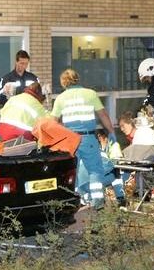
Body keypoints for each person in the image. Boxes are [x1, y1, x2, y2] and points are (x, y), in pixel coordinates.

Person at [51, 69, 116, 209]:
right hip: (88, 139)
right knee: (95, 171)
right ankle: (98, 203)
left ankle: (74, 202)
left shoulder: (60, 98)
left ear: (63, 83)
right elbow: (103, 114)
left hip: (70, 141)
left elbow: (53, 122)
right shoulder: (90, 94)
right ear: (77, 79)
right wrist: (111, 132)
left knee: (72, 171)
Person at [96, 129, 126, 207]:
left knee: (116, 173)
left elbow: (116, 161)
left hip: (112, 171)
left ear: (101, 137)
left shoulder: (113, 145)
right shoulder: (98, 147)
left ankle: (120, 198)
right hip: (104, 171)